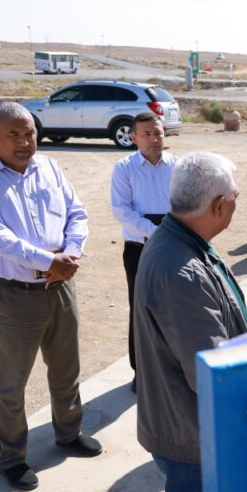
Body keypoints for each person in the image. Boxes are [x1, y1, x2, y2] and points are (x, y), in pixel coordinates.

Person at [0, 102, 100, 491]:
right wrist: (48, 260)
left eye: (30, 133)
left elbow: (77, 213)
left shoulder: (48, 167)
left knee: (66, 368)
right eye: (14, 135)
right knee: (11, 381)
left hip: (61, 285)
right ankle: (12, 457)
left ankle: (69, 433)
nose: (24, 142)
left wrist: (70, 253)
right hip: (12, 294)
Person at [134, 152, 247, 492]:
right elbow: (213, 375)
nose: (237, 203)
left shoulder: (182, 242)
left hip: (187, 424)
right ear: (218, 206)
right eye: (235, 197)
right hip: (192, 437)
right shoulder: (181, 271)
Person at [110, 111, 177, 393]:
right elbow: (122, 211)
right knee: (141, 309)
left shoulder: (178, 165)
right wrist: (155, 231)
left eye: (157, 133)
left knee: (175, 307)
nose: (153, 139)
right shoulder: (125, 168)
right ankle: (141, 370)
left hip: (174, 245)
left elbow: (186, 202)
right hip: (140, 247)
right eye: (146, 134)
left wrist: (172, 233)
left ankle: (172, 369)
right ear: (134, 137)